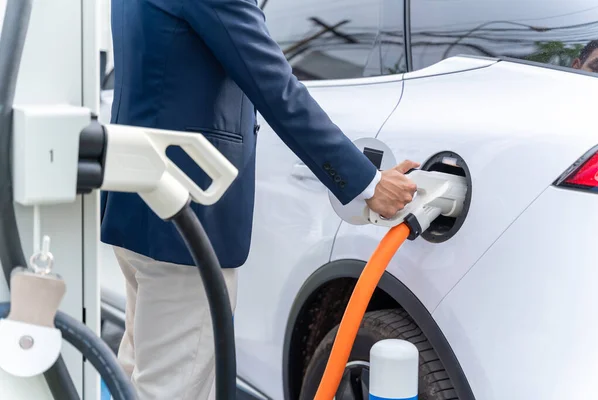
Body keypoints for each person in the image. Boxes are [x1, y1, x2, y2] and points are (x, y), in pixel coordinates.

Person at [101, 0, 419, 398]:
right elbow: (274, 85)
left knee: (140, 372)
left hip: (141, 204)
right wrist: (368, 183)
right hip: (186, 221)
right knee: (171, 387)